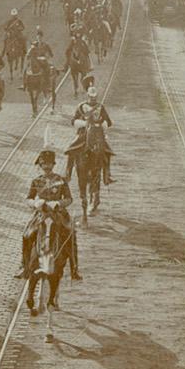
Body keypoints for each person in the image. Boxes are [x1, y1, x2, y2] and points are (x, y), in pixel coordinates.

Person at [21, 149, 76, 280]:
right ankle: (24, 266)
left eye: (49, 163)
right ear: (40, 165)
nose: (46, 166)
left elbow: (69, 199)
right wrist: (35, 203)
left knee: (70, 233)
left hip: (58, 214)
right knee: (26, 235)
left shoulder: (61, 180)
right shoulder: (36, 181)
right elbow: (28, 198)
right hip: (41, 214)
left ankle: (74, 267)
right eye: (44, 164)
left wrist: (58, 203)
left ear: (53, 164)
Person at [72, 86, 117, 185]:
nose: (93, 99)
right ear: (87, 96)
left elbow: (108, 122)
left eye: (95, 97)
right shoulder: (81, 106)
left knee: (107, 151)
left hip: (97, 133)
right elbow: (73, 121)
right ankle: (68, 173)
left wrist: (102, 123)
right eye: (91, 97)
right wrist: (83, 123)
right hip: (83, 133)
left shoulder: (100, 107)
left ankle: (107, 175)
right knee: (71, 148)